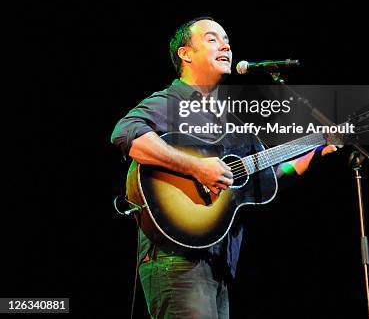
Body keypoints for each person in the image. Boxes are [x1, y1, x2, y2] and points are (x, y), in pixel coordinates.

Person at [111, 17, 336, 319]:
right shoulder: (171, 101)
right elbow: (125, 134)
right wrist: (196, 167)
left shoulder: (232, 124)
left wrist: (317, 148)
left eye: (227, 39)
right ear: (185, 53)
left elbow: (268, 178)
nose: (226, 45)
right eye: (212, 39)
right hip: (176, 259)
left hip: (218, 264)